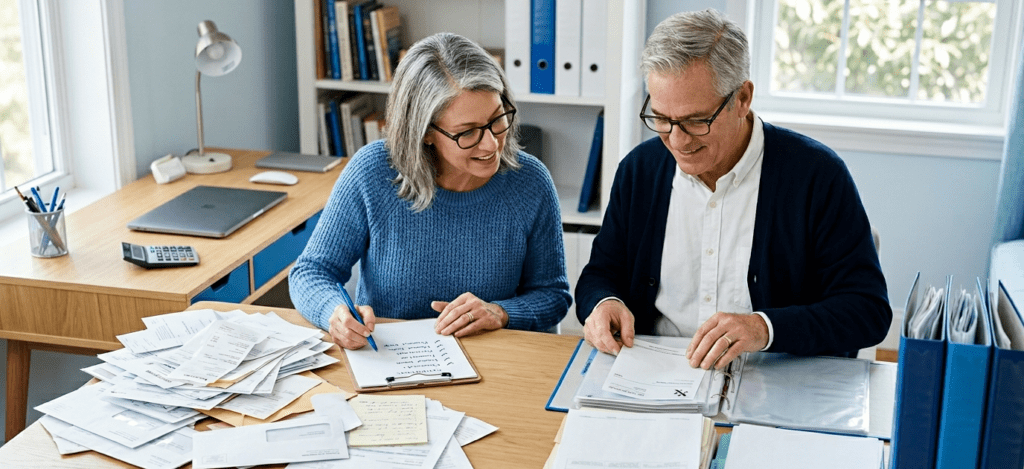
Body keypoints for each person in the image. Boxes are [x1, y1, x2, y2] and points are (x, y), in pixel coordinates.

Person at [575, 9, 891, 369]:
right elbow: (600, 274)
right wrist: (603, 303)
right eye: (661, 118)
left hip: (776, 377)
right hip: (655, 377)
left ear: (742, 98)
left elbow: (868, 310)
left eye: (696, 121)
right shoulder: (639, 171)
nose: (676, 140)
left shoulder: (817, 176)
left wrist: (764, 328)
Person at [290, 33, 571, 350]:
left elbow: (553, 295)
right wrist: (335, 313)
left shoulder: (529, 182)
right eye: (467, 132)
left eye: (497, 119)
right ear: (424, 133)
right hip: (392, 362)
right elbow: (311, 272)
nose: (492, 143)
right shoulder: (372, 172)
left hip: (495, 362)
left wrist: (502, 312)